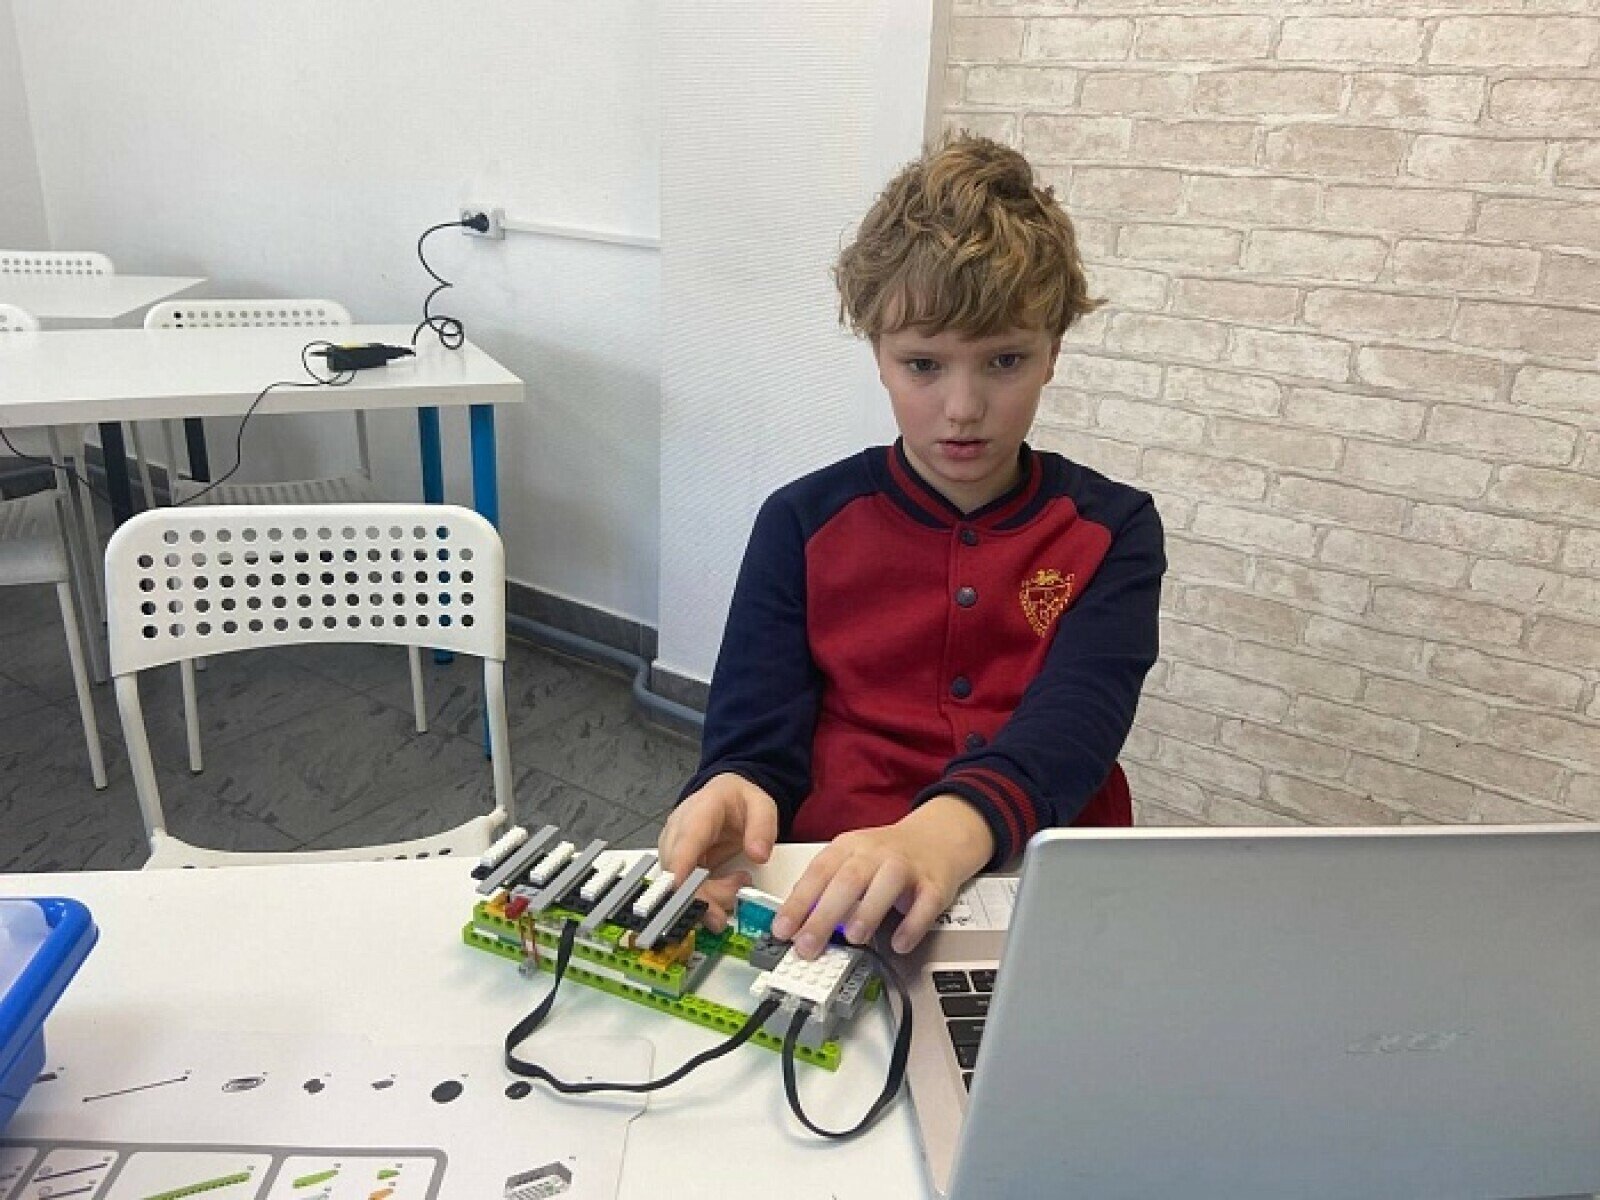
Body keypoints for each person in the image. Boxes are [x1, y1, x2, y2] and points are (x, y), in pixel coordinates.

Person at [659, 134, 1165, 960]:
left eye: (1004, 360)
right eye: (924, 365)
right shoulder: (801, 522)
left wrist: (943, 833)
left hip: (1047, 886)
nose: (962, 408)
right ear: (879, 356)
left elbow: (1077, 723)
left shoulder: (1113, 529)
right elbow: (755, 737)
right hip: (833, 888)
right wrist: (733, 787)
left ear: (1053, 354)